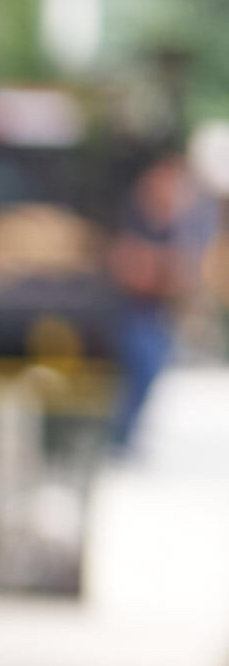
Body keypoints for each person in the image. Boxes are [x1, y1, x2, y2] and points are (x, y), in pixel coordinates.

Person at [109, 144, 203, 451]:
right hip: (129, 313)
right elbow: (130, 269)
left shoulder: (173, 226)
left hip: (154, 314)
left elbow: (182, 275)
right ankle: (117, 438)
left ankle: (123, 438)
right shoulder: (134, 217)